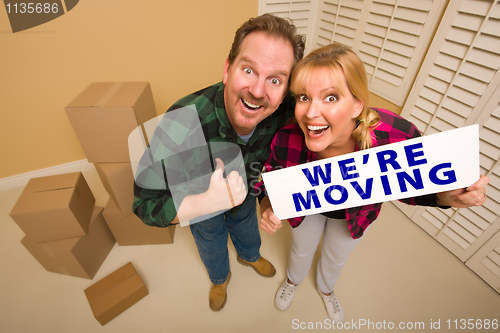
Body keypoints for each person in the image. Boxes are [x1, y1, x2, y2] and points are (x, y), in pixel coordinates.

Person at [256, 43, 489, 323]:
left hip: (356, 214)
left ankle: (326, 290)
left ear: (357, 104)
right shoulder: (286, 137)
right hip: (307, 211)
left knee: (335, 257)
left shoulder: (394, 135)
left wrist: (446, 198)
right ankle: (293, 281)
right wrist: (268, 206)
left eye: (330, 98)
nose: (310, 113)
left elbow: (415, 183)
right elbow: (269, 181)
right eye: (304, 97)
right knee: (301, 250)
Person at [132, 14, 306, 311]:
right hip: (201, 206)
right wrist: (201, 204)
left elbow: (330, 128)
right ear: (228, 69)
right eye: (248, 70)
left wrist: (267, 201)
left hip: (246, 196)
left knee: (249, 230)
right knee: (211, 243)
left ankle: (249, 256)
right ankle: (220, 279)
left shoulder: (287, 109)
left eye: (275, 79)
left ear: (286, 88)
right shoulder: (182, 122)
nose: (258, 91)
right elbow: (143, 204)